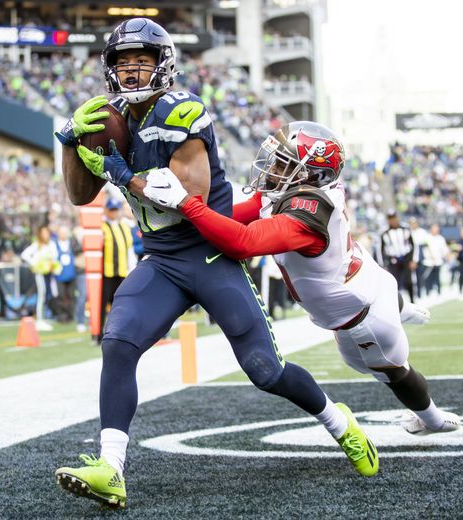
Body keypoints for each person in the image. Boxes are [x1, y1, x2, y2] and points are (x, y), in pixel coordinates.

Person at [53, 18, 377, 509]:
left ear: (162, 65)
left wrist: (121, 171)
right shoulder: (108, 116)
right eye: (123, 62)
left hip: (209, 252)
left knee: (265, 370)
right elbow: (79, 195)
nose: (132, 71)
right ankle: (111, 468)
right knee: (117, 343)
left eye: (141, 61)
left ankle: (340, 423)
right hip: (161, 259)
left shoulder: (183, 112)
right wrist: (72, 145)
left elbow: (188, 196)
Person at [143, 121, 460, 441]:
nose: (273, 167)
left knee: (391, 372)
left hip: (362, 316)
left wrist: (186, 203)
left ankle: (431, 419)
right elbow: (235, 215)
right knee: (385, 285)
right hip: (367, 275)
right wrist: (176, 219)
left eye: (284, 162)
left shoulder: (306, 212)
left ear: (310, 175)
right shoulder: (298, 190)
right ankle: (401, 306)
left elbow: (242, 241)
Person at [99, 198, 136, 343]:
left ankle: (119, 331)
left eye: (116, 210)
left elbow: (129, 249)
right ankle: (99, 332)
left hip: (121, 271)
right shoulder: (102, 227)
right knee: (103, 304)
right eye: (111, 210)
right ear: (106, 211)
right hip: (106, 272)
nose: (114, 213)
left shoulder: (124, 226)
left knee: (120, 303)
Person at [20, 225, 60, 332]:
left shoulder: (51, 244)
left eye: (47, 232)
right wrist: (35, 264)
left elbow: (55, 257)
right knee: (41, 295)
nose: (45, 235)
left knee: (48, 295)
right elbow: (25, 255)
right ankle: (39, 320)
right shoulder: (37, 245)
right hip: (40, 274)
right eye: (43, 233)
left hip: (49, 274)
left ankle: (43, 318)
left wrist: (53, 265)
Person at [380, 211, 417, 303]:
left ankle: (412, 300)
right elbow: (381, 250)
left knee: (409, 280)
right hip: (393, 259)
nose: (393, 220)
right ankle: (396, 303)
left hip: (406, 257)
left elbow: (413, 245)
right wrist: (383, 264)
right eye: (390, 218)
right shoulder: (384, 232)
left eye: (394, 218)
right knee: (394, 282)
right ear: (388, 220)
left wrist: (414, 260)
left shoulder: (405, 228)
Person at [52, 226, 80, 324]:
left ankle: (71, 315)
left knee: (71, 295)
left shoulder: (72, 243)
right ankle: (62, 316)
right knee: (61, 295)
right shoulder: (54, 244)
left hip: (71, 273)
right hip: (59, 274)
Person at [423, 224, 449, 296]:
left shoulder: (441, 238)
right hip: (428, 262)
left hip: (438, 262)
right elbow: (425, 248)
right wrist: (430, 256)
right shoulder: (427, 237)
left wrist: (447, 256)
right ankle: (428, 292)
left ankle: (438, 292)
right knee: (428, 278)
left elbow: (444, 250)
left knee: (437, 278)